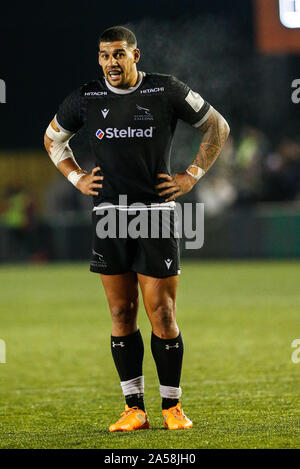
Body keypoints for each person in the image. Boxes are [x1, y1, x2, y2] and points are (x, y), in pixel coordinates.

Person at [44, 25, 229, 432]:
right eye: (104, 55)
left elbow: (218, 126)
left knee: (162, 312)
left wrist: (191, 175)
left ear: (135, 56)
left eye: (118, 54)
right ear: (99, 59)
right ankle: (134, 409)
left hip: (156, 213)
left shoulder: (166, 90)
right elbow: (53, 140)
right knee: (120, 312)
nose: (111, 62)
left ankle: (172, 407)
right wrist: (77, 178)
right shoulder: (86, 98)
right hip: (110, 216)